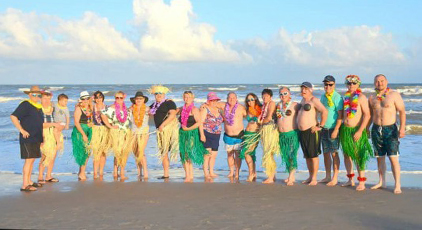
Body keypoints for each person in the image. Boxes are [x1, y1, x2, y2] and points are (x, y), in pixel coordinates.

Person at [369, 74, 406, 194]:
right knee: (379, 158)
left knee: (393, 158)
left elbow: (402, 112)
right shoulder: (372, 97)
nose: (379, 83)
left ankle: (397, 185)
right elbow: (370, 115)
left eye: (382, 81)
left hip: (390, 130)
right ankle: (381, 181)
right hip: (376, 129)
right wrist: (365, 128)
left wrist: (402, 128)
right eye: (377, 81)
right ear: (374, 83)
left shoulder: (394, 95)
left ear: (386, 82)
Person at [339, 75, 373, 191]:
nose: (351, 85)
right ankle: (350, 179)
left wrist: (360, 131)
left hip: (356, 130)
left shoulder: (361, 97)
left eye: (354, 83)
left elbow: (367, 115)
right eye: (349, 83)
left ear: (358, 84)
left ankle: (361, 181)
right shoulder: (346, 97)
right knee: (347, 154)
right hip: (345, 130)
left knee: (359, 155)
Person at [10, 86, 44, 191]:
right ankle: (25, 185)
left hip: (36, 137)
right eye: (34, 94)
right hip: (28, 137)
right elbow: (13, 116)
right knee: (28, 161)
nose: (36, 96)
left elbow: (39, 124)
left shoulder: (38, 107)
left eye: (38, 95)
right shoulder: (25, 104)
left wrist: (42, 138)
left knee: (32, 160)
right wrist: (21, 130)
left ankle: (29, 181)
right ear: (29, 95)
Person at [297, 82, 328, 186]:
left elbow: (324, 111)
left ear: (311, 90)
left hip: (311, 131)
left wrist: (320, 126)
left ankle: (314, 178)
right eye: (302, 88)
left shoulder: (314, 100)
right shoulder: (302, 100)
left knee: (313, 155)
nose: (303, 90)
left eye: (305, 88)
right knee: (307, 156)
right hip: (302, 132)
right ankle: (310, 176)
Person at [148, 85, 179, 179]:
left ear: (164, 94)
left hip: (169, 130)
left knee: (173, 151)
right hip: (160, 132)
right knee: (163, 152)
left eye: (160, 93)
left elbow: (173, 114)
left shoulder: (169, 102)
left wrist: (163, 125)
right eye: (156, 93)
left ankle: (188, 174)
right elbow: (146, 110)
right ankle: (166, 174)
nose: (158, 95)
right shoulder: (154, 105)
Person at [177, 91, 207, 182]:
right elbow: (172, 112)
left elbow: (199, 122)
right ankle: (189, 175)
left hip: (192, 134)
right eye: (185, 97)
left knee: (188, 154)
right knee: (183, 153)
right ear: (183, 98)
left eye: (189, 97)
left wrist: (202, 135)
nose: (187, 99)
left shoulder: (194, 109)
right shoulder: (181, 109)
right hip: (182, 134)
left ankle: (188, 176)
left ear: (192, 98)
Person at [101, 91, 132, 180]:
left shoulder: (126, 109)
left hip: (126, 132)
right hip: (116, 133)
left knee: (124, 153)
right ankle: (115, 172)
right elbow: (103, 115)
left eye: (120, 98)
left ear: (124, 98)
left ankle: (122, 172)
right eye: (117, 98)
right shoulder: (112, 107)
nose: (118, 99)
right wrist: (110, 126)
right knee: (117, 152)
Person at [319, 75, 343, 186]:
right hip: (324, 128)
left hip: (333, 128)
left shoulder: (337, 97)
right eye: (326, 84)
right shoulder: (323, 97)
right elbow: (320, 111)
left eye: (330, 84)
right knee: (325, 153)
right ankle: (327, 176)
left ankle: (335, 177)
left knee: (334, 153)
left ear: (334, 85)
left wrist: (336, 129)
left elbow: (340, 115)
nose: (327, 86)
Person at [276, 87, 300, 186]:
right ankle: (291, 175)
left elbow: (306, 113)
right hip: (282, 135)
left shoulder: (295, 105)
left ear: (289, 94)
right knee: (285, 155)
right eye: (281, 94)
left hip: (291, 134)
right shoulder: (278, 105)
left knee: (292, 155)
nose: (283, 96)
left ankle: (291, 177)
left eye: (285, 93)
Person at [219, 92, 247, 179]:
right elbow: (212, 104)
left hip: (239, 136)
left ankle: (237, 172)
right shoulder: (223, 106)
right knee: (229, 155)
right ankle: (231, 172)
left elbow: (250, 116)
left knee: (238, 155)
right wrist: (204, 105)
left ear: (236, 99)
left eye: (233, 98)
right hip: (228, 136)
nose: (231, 99)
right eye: (230, 98)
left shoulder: (241, 108)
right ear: (227, 99)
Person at [38, 90, 61, 183]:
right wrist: (54, 124)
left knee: (52, 156)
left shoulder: (53, 109)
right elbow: (40, 124)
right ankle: (40, 176)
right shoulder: (38, 110)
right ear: (40, 99)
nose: (47, 100)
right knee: (44, 156)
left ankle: (48, 175)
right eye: (44, 98)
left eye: (49, 98)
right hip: (44, 134)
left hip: (54, 134)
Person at [199, 92, 224, 181]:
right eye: (211, 100)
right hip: (207, 133)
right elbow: (200, 123)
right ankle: (206, 173)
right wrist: (202, 135)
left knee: (214, 155)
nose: (213, 102)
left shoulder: (218, 109)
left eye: (215, 100)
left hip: (217, 134)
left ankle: (211, 171)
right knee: (207, 155)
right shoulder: (205, 109)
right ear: (208, 101)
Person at [259, 89, 280, 184]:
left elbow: (268, 117)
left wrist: (258, 122)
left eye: (266, 96)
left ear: (270, 97)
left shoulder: (271, 103)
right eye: (263, 96)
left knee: (268, 153)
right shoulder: (264, 105)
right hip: (265, 129)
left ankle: (270, 177)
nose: (264, 98)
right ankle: (273, 175)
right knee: (268, 152)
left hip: (270, 129)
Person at [72, 91, 93, 181]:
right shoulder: (78, 109)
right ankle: (82, 173)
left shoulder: (90, 108)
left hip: (88, 131)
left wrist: (91, 123)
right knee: (83, 152)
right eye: (83, 99)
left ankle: (81, 172)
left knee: (87, 152)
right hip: (80, 132)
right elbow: (76, 123)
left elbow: (91, 120)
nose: (85, 101)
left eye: (87, 99)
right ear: (80, 100)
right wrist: (84, 135)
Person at [241, 93, 262, 182]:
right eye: (248, 100)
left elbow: (264, 120)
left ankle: (251, 174)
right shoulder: (247, 110)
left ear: (255, 99)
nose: (250, 101)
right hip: (247, 133)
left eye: (252, 99)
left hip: (254, 134)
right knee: (251, 154)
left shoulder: (260, 109)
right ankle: (254, 173)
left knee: (246, 153)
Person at [129, 91, 150, 179]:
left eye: (140, 99)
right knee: (136, 152)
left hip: (143, 132)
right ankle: (139, 171)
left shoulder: (147, 109)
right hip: (133, 132)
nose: (139, 100)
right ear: (134, 100)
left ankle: (145, 172)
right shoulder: (130, 109)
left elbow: (159, 110)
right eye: (137, 99)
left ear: (144, 99)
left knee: (141, 151)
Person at [90, 91, 110, 179]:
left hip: (105, 130)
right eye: (96, 97)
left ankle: (101, 171)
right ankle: (95, 172)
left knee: (103, 152)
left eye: (100, 97)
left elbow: (110, 119)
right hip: (96, 130)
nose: (98, 99)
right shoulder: (92, 106)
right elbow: (82, 103)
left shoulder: (107, 107)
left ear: (103, 98)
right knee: (96, 152)